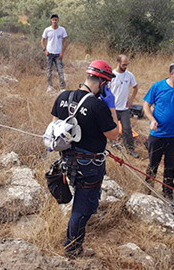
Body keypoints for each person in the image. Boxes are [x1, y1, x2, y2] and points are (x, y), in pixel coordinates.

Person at [51, 60, 118, 258]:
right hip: (89, 165)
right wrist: (111, 107)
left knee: (82, 204)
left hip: (67, 161)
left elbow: (54, 127)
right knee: (82, 208)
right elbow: (114, 134)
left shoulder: (64, 96)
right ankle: (72, 250)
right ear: (103, 83)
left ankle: (73, 243)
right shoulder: (97, 105)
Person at [143, 61, 174, 200]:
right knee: (153, 164)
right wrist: (152, 119)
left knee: (170, 166)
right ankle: (147, 191)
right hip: (157, 134)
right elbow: (146, 105)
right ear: (173, 74)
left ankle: (167, 193)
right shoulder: (157, 86)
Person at [111, 54, 139, 158]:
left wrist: (131, 100)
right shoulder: (111, 75)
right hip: (113, 108)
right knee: (111, 128)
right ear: (117, 63)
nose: (125, 67)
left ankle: (130, 150)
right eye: (123, 64)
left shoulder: (129, 75)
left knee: (127, 129)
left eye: (127, 64)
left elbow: (136, 87)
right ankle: (111, 146)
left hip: (124, 108)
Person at [41, 14, 68, 92]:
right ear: (51, 20)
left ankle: (62, 87)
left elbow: (65, 41)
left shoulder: (62, 30)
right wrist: (45, 50)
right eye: (53, 20)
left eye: (56, 19)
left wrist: (62, 52)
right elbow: (42, 40)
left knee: (60, 70)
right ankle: (50, 86)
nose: (54, 21)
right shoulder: (47, 30)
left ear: (58, 20)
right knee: (49, 70)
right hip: (49, 53)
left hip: (58, 54)